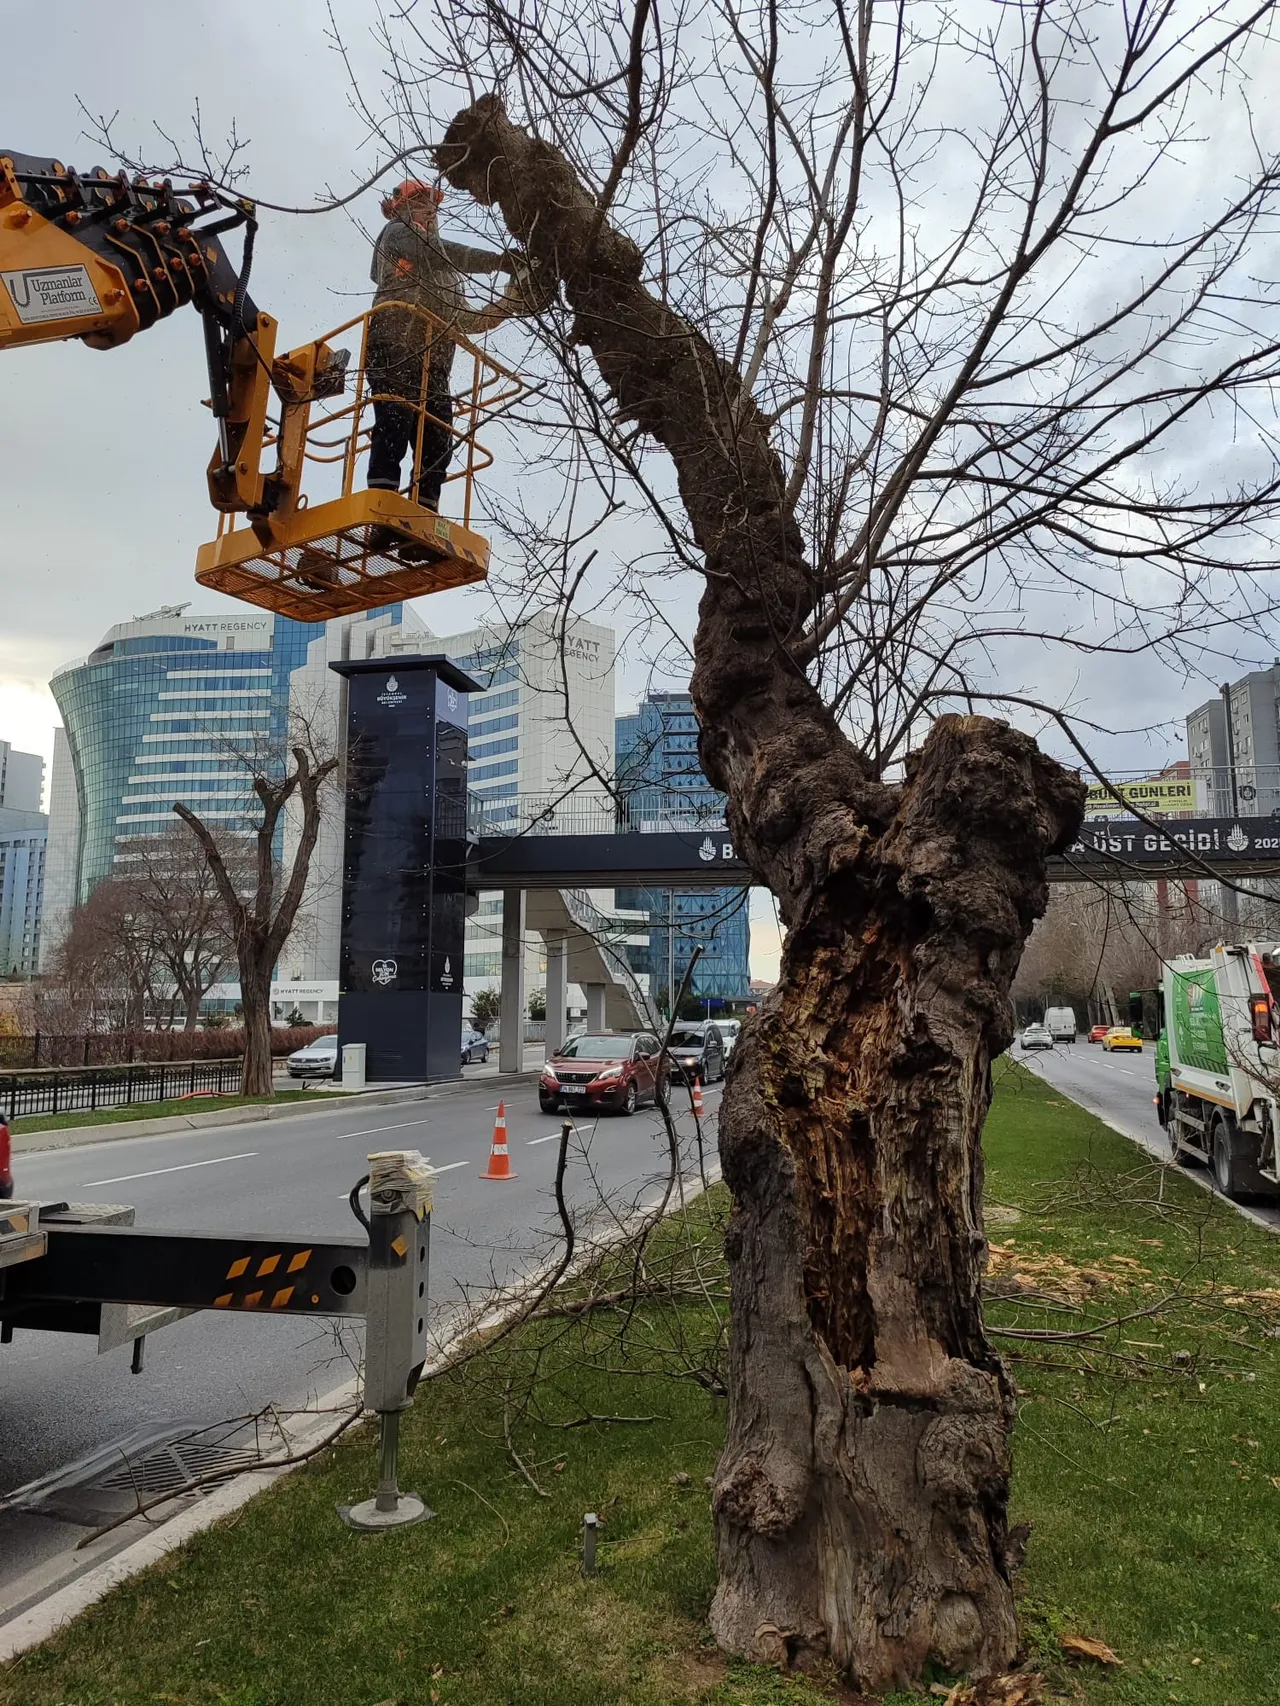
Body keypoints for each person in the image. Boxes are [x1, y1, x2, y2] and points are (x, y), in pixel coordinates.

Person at [365, 180, 519, 529]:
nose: (431, 211)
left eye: (433, 206)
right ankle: (382, 516)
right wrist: (498, 261)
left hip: (433, 363)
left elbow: (465, 320)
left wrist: (510, 302)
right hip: (394, 347)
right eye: (421, 204)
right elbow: (437, 251)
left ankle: (422, 519)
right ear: (401, 208)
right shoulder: (398, 234)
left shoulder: (445, 276)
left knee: (437, 439)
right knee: (395, 422)